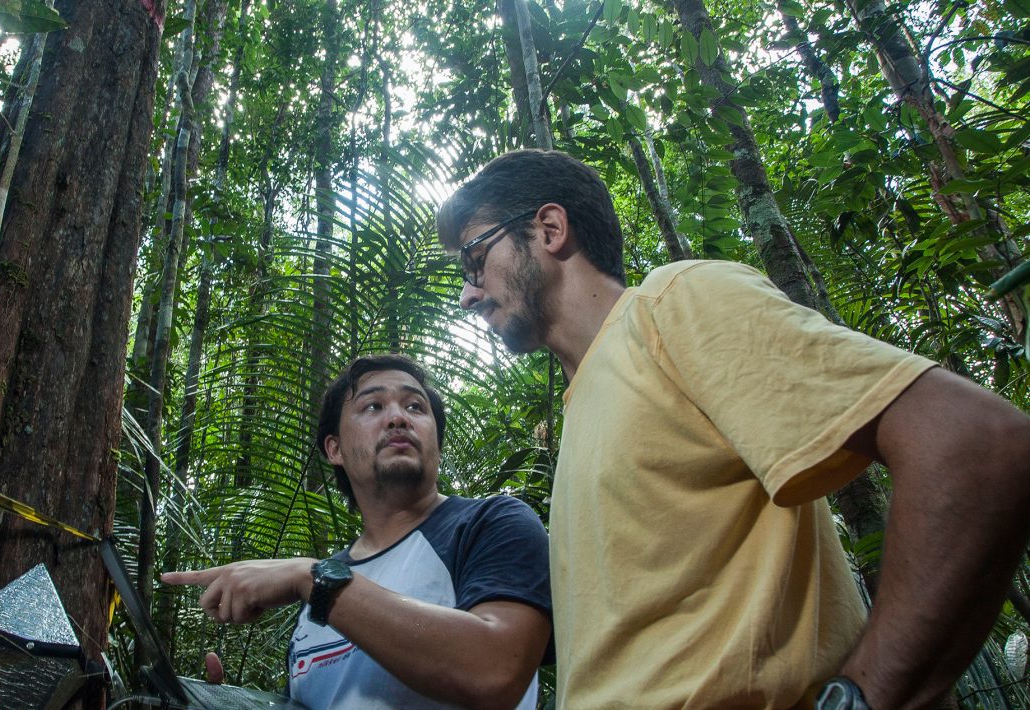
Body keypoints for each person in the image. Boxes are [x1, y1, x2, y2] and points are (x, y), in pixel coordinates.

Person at [436, 148, 1030, 709]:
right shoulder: (583, 408)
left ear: (548, 230)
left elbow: (973, 443)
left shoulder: (669, 307)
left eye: (475, 257)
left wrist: (863, 695)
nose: (468, 292)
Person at [163, 354, 552, 709]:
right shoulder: (320, 588)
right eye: (373, 406)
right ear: (335, 449)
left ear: (437, 440)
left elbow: (497, 671)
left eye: (416, 406)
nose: (399, 417)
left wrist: (312, 579)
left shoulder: (492, 523)